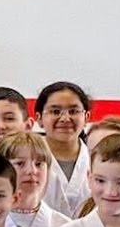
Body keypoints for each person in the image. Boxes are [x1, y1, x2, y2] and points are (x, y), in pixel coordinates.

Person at [36, 81, 93, 216]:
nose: (65, 118)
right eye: (55, 111)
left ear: (86, 117)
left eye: (73, 111)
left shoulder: (98, 158)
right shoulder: (25, 159)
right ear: (39, 118)